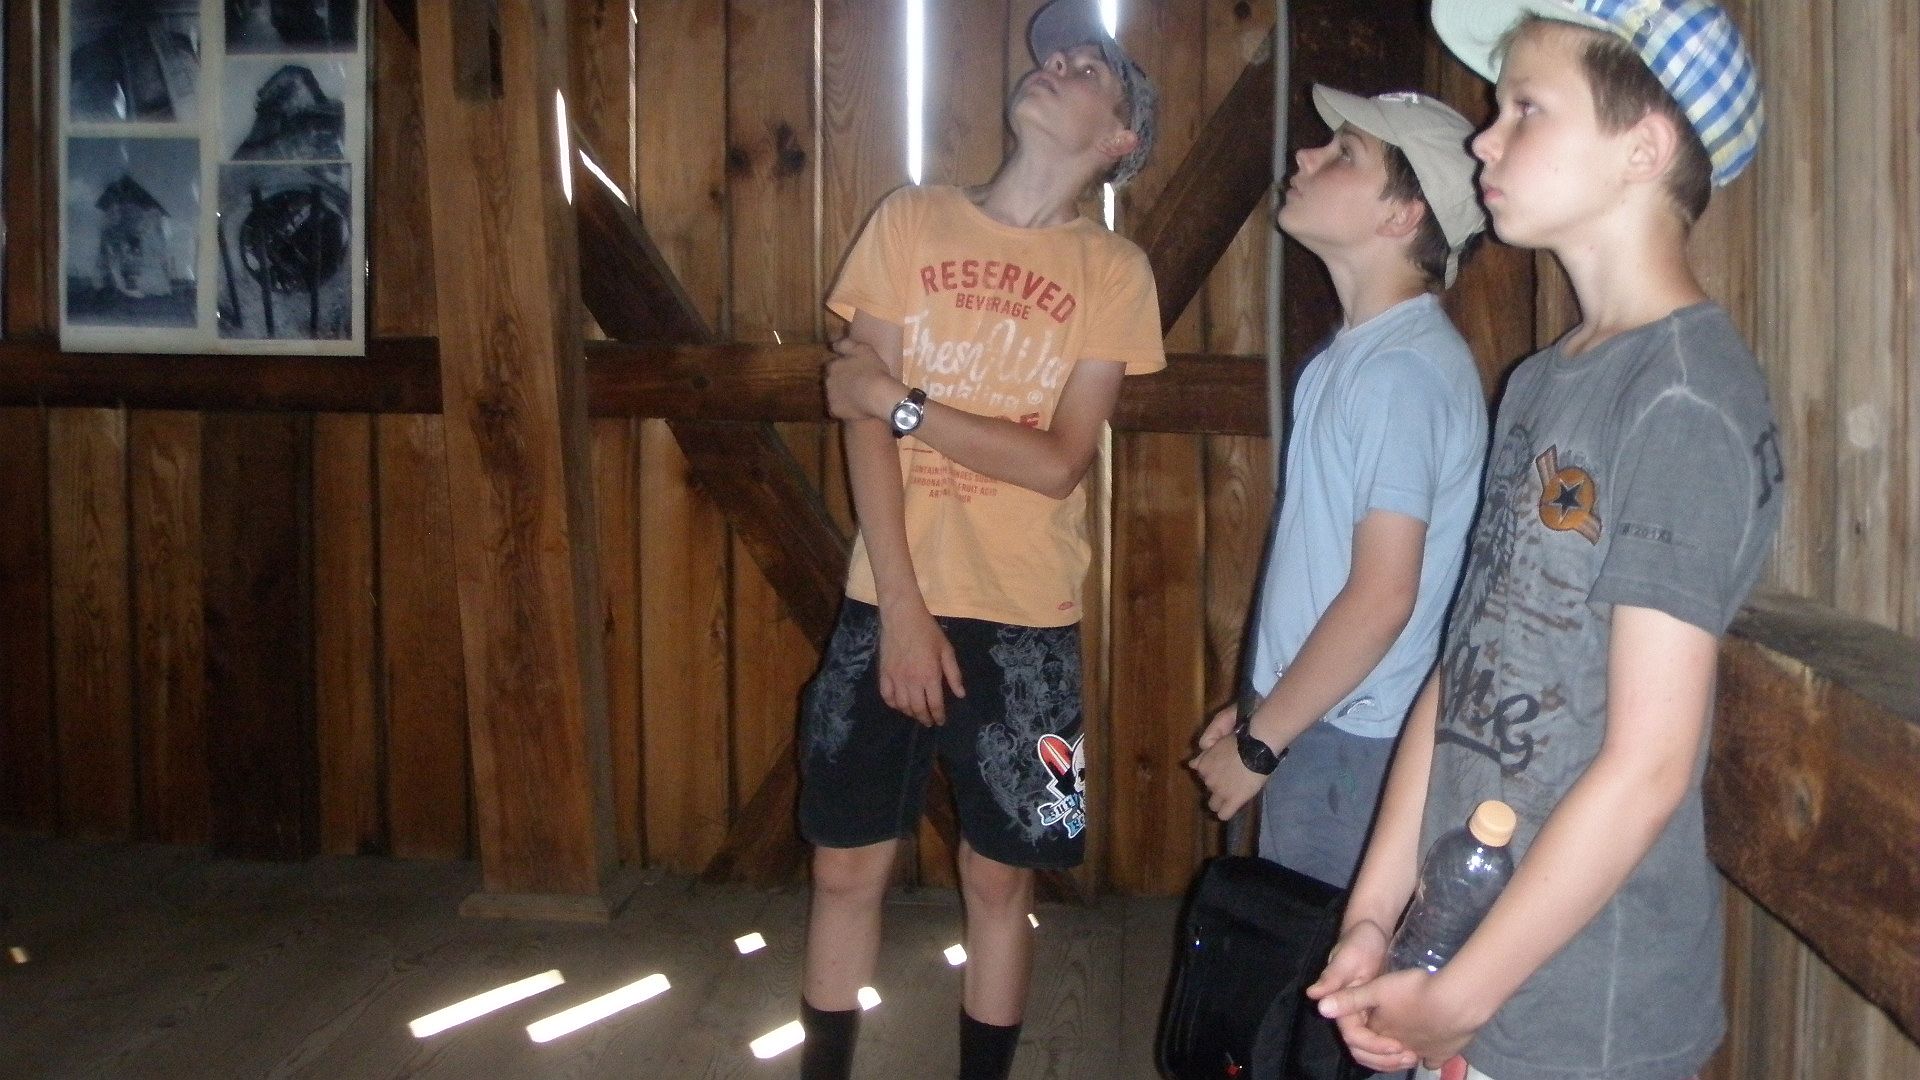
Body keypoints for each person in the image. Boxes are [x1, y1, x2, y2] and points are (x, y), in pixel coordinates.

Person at [1308, 4, 1782, 1079]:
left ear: (1642, 150)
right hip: (1454, 952)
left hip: (1583, 1017)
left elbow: (1648, 765)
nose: (1484, 139)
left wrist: (1460, 1000)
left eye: (1525, 108)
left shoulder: (1684, 402)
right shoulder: (1538, 382)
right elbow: (1462, 668)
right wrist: (1376, 912)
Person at [797, 3, 1163, 1077]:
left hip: (1026, 617)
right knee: (843, 870)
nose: (1061, 64)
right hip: (887, 598)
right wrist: (903, 609)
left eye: (1090, 67)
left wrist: (904, 402)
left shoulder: (1114, 271)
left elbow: (1058, 462)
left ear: (1120, 138)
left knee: (1002, 881)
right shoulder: (911, 219)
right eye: (1056, 54)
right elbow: (855, 411)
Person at [1188, 85, 1489, 899]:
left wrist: (1263, 743)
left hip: (1355, 744)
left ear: (1403, 216)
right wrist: (1264, 710)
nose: (1306, 155)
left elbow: (1383, 597)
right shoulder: (1356, 358)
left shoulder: (1401, 374)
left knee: (1326, 963)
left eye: (1344, 153)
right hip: (1323, 722)